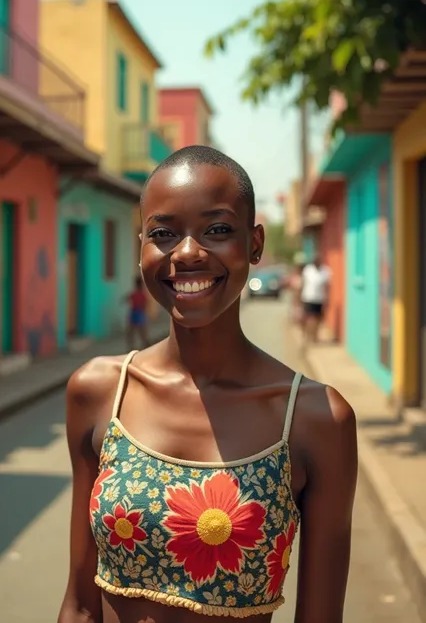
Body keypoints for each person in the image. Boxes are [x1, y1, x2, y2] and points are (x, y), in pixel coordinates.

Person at [61, 146, 357, 623]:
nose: (188, 253)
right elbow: (78, 605)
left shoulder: (313, 418)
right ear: (141, 247)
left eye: (217, 230)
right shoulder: (99, 392)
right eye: (162, 234)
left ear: (255, 243)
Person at [300, 254, 332, 343]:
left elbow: (328, 287)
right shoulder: (307, 270)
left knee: (318, 319)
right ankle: (309, 335)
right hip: (308, 298)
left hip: (320, 299)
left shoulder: (325, 271)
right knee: (310, 318)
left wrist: (328, 299)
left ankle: (314, 336)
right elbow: (303, 283)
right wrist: (299, 298)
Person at [126, 276, 149, 350]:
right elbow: (145, 304)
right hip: (139, 312)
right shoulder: (141, 294)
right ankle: (145, 346)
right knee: (141, 332)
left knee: (132, 332)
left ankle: (131, 347)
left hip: (135, 312)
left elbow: (128, 299)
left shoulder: (135, 293)